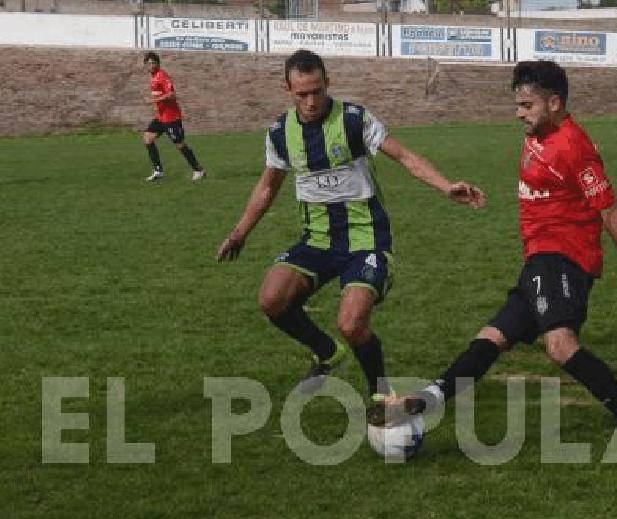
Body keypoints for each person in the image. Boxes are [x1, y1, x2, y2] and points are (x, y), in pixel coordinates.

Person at [369, 60, 617, 457]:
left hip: (563, 258)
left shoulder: (574, 146)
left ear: (555, 103)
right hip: (538, 261)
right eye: (518, 104)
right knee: (491, 338)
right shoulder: (538, 134)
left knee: (560, 345)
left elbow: (611, 211)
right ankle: (424, 403)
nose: (519, 113)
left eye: (527, 105)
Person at [216, 50, 486, 402]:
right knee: (271, 299)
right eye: (302, 94)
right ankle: (327, 353)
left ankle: (379, 393)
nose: (311, 101)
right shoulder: (281, 133)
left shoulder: (354, 120)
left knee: (351, 323)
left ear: (328, 82)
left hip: (366, 239)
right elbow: (268, 187)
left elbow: (405, 157)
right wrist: (239, 233)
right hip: (317, 241)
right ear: (288, 90)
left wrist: (445, 185)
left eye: (317, 90)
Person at [142, 52, 205, 182]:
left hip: (171, 118)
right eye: (149, 63)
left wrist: (155, 100)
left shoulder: (162, 76)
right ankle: (158, 170)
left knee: (179, 145)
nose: (152, 65)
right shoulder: (153, 77)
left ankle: (198, 170)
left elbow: (172, 94)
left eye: (154, 63)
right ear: (145, 65)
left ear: (158, 64)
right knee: (148, 138)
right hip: (160, 117)